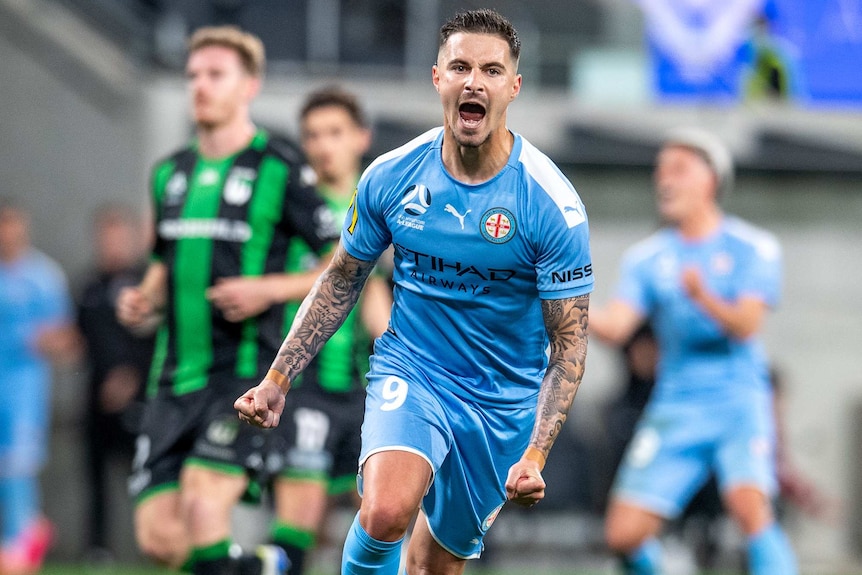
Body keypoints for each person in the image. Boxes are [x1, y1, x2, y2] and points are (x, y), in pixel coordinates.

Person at [236, 9, 593, 575]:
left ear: (514, 87)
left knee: (432, 566)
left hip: (502, 399)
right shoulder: (390, 175)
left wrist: (535, 452)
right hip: (415, 367)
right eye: (460, 66)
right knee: (384, 512)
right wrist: (279, 378)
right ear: (437, 78)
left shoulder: (551, 205)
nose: (474, 81)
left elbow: (569, 344)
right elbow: (340, 281)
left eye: (491, 70)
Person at [116, 26, 340, 575]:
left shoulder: (280, 167)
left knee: (202, 505)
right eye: (193, 75)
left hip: (239, 378)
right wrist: (143, 298)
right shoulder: (169, 173)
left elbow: (339, 262)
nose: (200, 86)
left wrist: (267, 288)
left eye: (215, 75)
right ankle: (266, 568)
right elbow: (163, 260)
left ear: (249, 86)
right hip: (171, 380)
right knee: (161, 542)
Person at [589, 127, 798, 574]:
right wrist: (561, 297)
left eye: (679, 169)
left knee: (749, 508)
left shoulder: (751, 247)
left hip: (737, 399)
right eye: (661, 170)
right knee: (622, 535)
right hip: (676, 405)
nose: (665, 179)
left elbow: (747, 325)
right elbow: (617, 327)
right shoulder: (647, 258)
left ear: (710, 180)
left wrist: (704, 297)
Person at [266, 87, 392, 575]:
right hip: (305, 386)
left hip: (364, 387)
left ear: (362, 138)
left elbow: (377, 293)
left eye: (335, 133)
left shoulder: (380, 204)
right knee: (300, 521)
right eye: (312, 135)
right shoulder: (288, 207)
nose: (323, 146)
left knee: (381, 517)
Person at [0, 198, 80, 575]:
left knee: (18, 464)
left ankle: (20, 543)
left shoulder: (42, 276)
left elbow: (67, 340)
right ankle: (24, 534)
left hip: (23, 389)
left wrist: (46, 340)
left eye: (12, 224)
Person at [76, 204, 155, 562]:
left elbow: (154, 338)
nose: (112, 244)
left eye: (118, 235)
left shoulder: (146, 282)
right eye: (105, 236)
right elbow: (82, 337)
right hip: (95, 397)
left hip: (138, 399)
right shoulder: (89, 286)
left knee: (143, 475)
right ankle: (98, 549)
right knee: (95, 476)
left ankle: (153, 545)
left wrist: (129, 377)